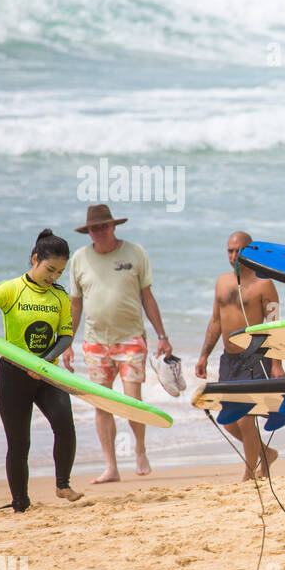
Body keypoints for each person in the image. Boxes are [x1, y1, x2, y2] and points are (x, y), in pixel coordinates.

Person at [0, 230, 81, 511]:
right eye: (49, 269)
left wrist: (45, 362)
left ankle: (62, 484)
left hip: (47, 373)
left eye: (59, 272)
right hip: (14, 374)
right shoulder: (13, 288)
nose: (53, 277)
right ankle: (20, 502)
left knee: (65, 426)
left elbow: (66, 336)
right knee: (19, 442)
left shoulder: (60, 297)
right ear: (35, 259)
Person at [63, 204, 172, 483]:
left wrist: (162, 335)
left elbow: (148, 296)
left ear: (113, 227)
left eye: (103, 226)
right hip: (95, 342)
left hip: (131, 339)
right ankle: (111, 466)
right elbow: (75, 304)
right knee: (102, 404)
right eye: (93, 228)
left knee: (132, 400)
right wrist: (67, 342)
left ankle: (140, 450)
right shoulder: (79, 259)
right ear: (88, 231)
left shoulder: (135, 253)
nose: (98, 232)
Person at [193, 232, 285, 481]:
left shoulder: (264, 284)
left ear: (250, 250)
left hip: (254, 357)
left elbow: (275, 325)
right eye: (230, 251)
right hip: (229, 358)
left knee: (246, 419)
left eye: (239, 250)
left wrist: (277, 364)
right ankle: (266, 454)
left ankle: (248, 472)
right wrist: (203, 356)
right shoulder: (222, 282)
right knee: (228, 419)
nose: (234, 256)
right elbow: (215, 321)